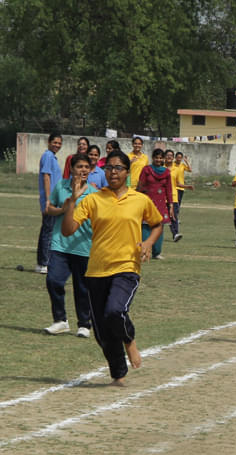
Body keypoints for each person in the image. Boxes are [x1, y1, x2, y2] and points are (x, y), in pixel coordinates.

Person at [61, 150, 163, 386]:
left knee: (115, 311)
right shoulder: (93, 199)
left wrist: (148, 243)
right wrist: (73, 201)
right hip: (96, 271)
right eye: (109, 168)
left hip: (127, 267)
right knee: (102, 332)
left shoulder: (140, 199)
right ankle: (119, 375)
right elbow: (67, 230)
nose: (113, 172)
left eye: (118, 168)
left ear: (127, 172)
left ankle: (130, 341)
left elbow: (157, 224)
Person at [43, 154, 97, 337]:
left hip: (84, 246)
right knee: (53, 280)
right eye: (79, 166)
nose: (83, 170)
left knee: (82, 288)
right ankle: (60, 320)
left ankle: (84, 324)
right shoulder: (61, 186)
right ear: (72, 169)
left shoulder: (94, 192)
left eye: (86, 167)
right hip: (60, 244)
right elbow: (49, 208)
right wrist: (63, 209)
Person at [136, 148, 173, 259]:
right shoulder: (146, 170)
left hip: (161, 203)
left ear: (163, 159)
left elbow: (169, 189)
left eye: (160, 158)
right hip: (147, 201)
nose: (158, 159)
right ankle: (144, 251)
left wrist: (171, 205)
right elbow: (140, 185)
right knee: (146, 227)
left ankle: (157, 253)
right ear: (153, 158)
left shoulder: (166, 172)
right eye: (156, 157)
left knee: (159, 226)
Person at [36, 133, 63, 274]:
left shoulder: (52, 157)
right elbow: (46, 176)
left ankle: (41, 262)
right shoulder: (47, 156)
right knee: (49, 231)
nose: (57, 145)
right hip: (50, 200)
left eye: (59, 143)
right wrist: (48, 199)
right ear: (49, 142)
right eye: (55, 142)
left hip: (54, 199)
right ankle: (44, 263)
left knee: (47, 229)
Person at [163, 149, 183, 242]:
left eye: (171, 155)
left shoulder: (176, 169)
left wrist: (187, 186)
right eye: (167, 155)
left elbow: (178, 183)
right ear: (164, 157)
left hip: (173, 196)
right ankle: (157, 235)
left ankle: (176, 234)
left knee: (173, 216)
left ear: (173, 157)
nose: (169, 157)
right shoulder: (161, 168)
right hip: (162, 197)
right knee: (160, 218)